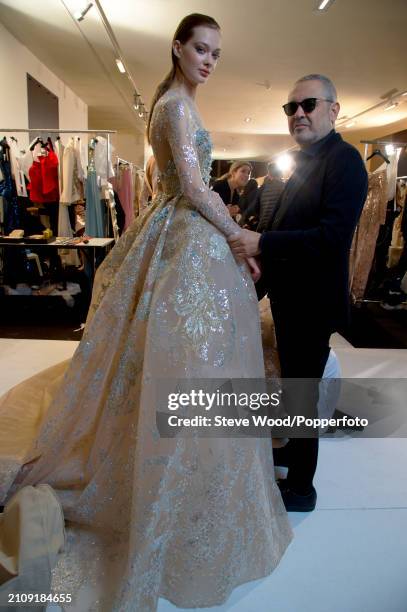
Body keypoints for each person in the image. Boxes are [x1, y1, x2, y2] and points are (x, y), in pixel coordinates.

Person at [0, 14, 292, 611]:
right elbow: (191, 184)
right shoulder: (174, 109)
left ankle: (187, 472)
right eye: (201, 49)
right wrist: (240, 239)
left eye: (216, 52)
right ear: (178, 48)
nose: (209, 60)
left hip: (180, 236)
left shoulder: (176, 104)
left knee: (182, 367)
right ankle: (163, 478)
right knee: (180, 366)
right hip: (183, 236)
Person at [228, 74, 368, 512]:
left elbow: (330, 237)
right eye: (291, 108)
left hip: (313, 304)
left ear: (333, 109)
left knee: (301, 393)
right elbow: (288, 228)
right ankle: (293, 456)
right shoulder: (307, 159)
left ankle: (302, 490)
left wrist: (262, 245)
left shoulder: (344, 160)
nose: (298, 113)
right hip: (294, 300)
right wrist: (260, 271)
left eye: (308, 104)